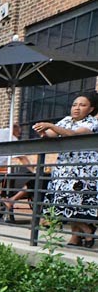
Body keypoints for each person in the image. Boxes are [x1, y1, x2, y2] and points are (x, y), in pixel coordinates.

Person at [35, 92, 98, 247]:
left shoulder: (92, 123)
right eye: (74, 104)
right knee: (62, 201)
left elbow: (73, 134)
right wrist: (43, 132)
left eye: (82, 105)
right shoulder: (66, 121)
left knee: (74, 202)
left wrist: (51, 125)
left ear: (91, 109)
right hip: (63, 170)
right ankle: (82, 233)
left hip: (83, 171)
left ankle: (83, 232)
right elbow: (51, 134)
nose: (77, 108)